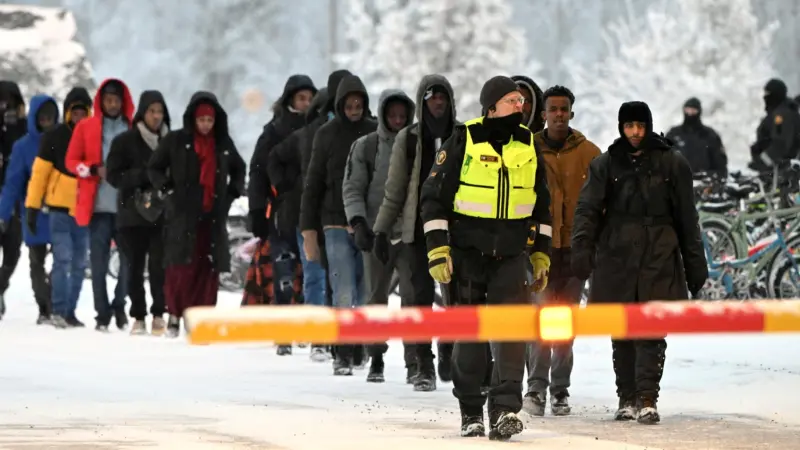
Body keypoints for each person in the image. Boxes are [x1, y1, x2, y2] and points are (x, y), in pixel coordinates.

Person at [420, 75, 552, 440]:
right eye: (511, 100)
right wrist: (438, 249)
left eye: (522, 101)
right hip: (466, 255)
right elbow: (433, 197)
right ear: (491, 106)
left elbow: (542, 205)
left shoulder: (528, 144)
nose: (520, 105)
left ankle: (505, 411)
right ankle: (471, 411)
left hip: (511, 257)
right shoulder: (464, 138)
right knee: (470, 337)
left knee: (512, 334)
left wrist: (541, 255)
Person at [571, 101, 708, 425]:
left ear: (648, 126)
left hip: (658, 253)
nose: (634, 133)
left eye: (640, 126)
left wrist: (694, 264)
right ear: (621, 127)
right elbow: (588, 209)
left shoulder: (671, 163)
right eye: (629, 126)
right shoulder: (606, 164)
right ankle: (626, 396)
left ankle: (647, 397)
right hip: (617, 254)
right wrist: (582, 249)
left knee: (651, 329)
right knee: (621, 330)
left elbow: (688, 217)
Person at [372, 74, 457, 391]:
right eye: (432, 96)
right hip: (415, 233)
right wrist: (381, 231)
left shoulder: (462, 136)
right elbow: (393, 192)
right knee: (417, 300)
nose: (437, 101)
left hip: (455, 232)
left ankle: (451, 349)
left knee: (456, 299)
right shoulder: (407, 139)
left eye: (442, 96)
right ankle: (423, 364)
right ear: (422, 101)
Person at [522, 86, 600, 417]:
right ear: (542, 114)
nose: (558, 114)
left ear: (572, 112)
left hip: (574, 251)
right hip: (537, 250)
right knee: (539, 320)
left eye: (563, 109)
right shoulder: (528, 149)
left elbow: (600, 204)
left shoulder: (590, 154)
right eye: (552, 109)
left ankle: (560, 389)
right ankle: (536, 388)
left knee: (564, 324)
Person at [148, 91, 246, 338]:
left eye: (209, 121)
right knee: (179, 268)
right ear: (193, 119)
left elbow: (239, 169)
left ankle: (201, 317)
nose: (205, 125)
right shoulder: (176, 141)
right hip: (182, 216)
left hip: (211, 217)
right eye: (201, 120)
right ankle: (175, 314)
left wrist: (230, 195)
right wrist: (168, 191)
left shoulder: (222, 144)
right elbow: (155, 167)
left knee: (207, 269)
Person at [300, 74, 376, 375]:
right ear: (341, 104)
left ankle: (360, 345)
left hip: (367, 223)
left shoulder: (374, 132)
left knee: (365, 289)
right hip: (333, 222)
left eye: (359, 104)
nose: (355, 109)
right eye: (350, 104)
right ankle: (342, 351)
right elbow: (313, 182)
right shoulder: (326, 134)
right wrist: (308, 230)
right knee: (342, 289)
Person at [342, 88, 416, 383]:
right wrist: (358, 222)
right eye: (392, 115)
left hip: (410, 235)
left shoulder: (417, 145)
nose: (398, 120)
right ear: (384, 116)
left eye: (402, 115)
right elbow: (353, 186)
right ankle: (376, 357)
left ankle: (416, 362)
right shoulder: (366, 147)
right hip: (375, 233)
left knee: (413, 299)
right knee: (375, 297)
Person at [248, 76, 317, 355]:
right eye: (301, 98)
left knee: (309, 274)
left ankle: (303, 328)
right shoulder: (274, 131)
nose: (306, 103)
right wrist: (256, 210)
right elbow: (258, 173)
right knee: (283, 272)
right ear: (290, 99)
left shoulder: (319, 129)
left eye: (310, 98)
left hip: (310, 214)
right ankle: (283, 332)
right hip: (280, 212)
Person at [266, 87, 331, 361]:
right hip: (304, 215)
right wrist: (287, 187)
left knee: (318, 276)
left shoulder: (312, 133)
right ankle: (316, 334)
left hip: (328, 215)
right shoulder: (304, 135)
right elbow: (273, 159)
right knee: (312, 274)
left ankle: (319, 333)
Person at [66, 78, 134, 331]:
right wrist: (92, 169)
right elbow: (71, 161)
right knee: (98, 263)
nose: (113, 104)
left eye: (116, 100)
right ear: (101, 102)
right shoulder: (86, 127)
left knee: (129, 261)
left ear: (123, 101)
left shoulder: (132, 126)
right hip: (97, 207)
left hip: (127, 207)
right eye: (108, 100)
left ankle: (120, 304)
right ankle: (102, 312)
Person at [25, 87, 93, 329]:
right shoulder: (53, 137)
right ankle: (58, 309)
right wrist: (32, 207)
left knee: (79, 264)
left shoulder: (94, 138)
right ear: (67, 113)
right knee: (62, 260)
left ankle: (70, 312)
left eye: (83, 113)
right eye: (74, 113)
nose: (78, 117)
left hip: (84, 211)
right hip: (58, 210)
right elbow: (39, 175)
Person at [106, 90, 171, 336]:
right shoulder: (125, 141)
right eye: (152, 111)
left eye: (160, 111)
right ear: (142, 113)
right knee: (133, 267)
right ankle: (138, 315)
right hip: (131, 215)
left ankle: (158, 313)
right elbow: (113, 176)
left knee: (158, 266)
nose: (156, 116)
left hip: (162, 213)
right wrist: (144, 175)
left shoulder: (170, 142)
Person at [0, 94, 58, 323]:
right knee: (36, 263)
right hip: (32, 213)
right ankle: (45, 307)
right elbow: (12, 183)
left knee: (64, 262)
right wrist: (3, 213)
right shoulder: (23, 147)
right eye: (43, 117)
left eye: (51, 117)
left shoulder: (64, 140)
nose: (47, 121)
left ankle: (54, 302)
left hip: (61, 211)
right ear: (35, 118)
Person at [0, 81, 27, 318]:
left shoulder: (25, 126)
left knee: (13, 251)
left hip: (17, 198)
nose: (5, 105)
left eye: (9, 101)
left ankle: (0, 287)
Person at [665, 98, 726, 177]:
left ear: (699, 111)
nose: (690, 113)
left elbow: (720, 165)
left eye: (693, 110)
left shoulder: (710, 135)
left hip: (704, 182)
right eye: (687, 110)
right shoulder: (673, 134)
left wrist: (713, 178)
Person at [750, 79, 800, 171]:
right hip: (776, 171)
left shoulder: (781, 116)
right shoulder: (781, 111)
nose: (764, 97)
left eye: (767, 93)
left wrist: (763, 161)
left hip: (780, 172)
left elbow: (780, 143)